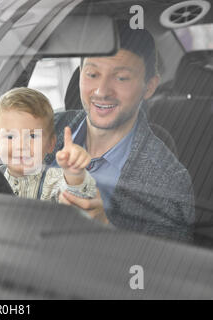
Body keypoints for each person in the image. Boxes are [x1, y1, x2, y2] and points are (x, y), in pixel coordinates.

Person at [46, 21, 195, 241]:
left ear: (149, 87)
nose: (101, 91)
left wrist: (106, 228)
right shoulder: (44, 128)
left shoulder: (170, 181)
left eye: (121, 78)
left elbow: (171, 267)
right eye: (92, 74)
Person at [0, 87, 97, 204]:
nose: (21, 146)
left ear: (51, 144)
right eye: (10, 137)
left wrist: (74, 174)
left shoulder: (56, 181)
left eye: (32, 136)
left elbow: (79, 197)